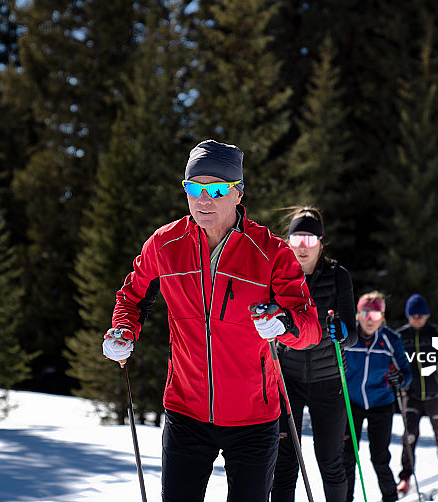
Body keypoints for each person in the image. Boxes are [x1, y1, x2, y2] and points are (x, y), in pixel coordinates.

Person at [101, 139, 322, 502]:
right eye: (194, 188)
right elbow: (132, 297)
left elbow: (309, 328)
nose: (204, 200)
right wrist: (122, 331)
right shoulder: (164, 244)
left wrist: (284, 324)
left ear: (238, 193)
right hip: (185, 411)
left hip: (254, 418)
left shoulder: (271, 252)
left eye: (217, 189)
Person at [270, 207, 358, 502]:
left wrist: (341, 331)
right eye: (297, 238)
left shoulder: (338, 276)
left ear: (321, 242)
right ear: (288, 241)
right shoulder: (280, 273)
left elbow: (353, 334)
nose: (302, 246)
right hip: (288, 379)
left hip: (329, 380)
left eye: (310, 239)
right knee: (284, 463)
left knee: (331, 462)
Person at [342, 291, 412, 502]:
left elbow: (406, 372)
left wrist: (400, 379)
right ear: (358, 315)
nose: (369, 320)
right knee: (347, 456)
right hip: (351, 404)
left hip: (381, 404)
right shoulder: (348, 337)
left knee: (380, 457)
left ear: (382, 317)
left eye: (375, 315)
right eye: (365, 314)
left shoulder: (391, 339)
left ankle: (390, 497)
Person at [394, 293, 438, 494]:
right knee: (409, 435)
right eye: (413, 315)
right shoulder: (400, 336)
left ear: (427, 315)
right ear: (408, 316)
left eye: (421, 315)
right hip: (410, 393)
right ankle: (405, 477)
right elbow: (390, 360)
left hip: (436, 393)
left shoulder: (437, 334)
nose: (417, 318)